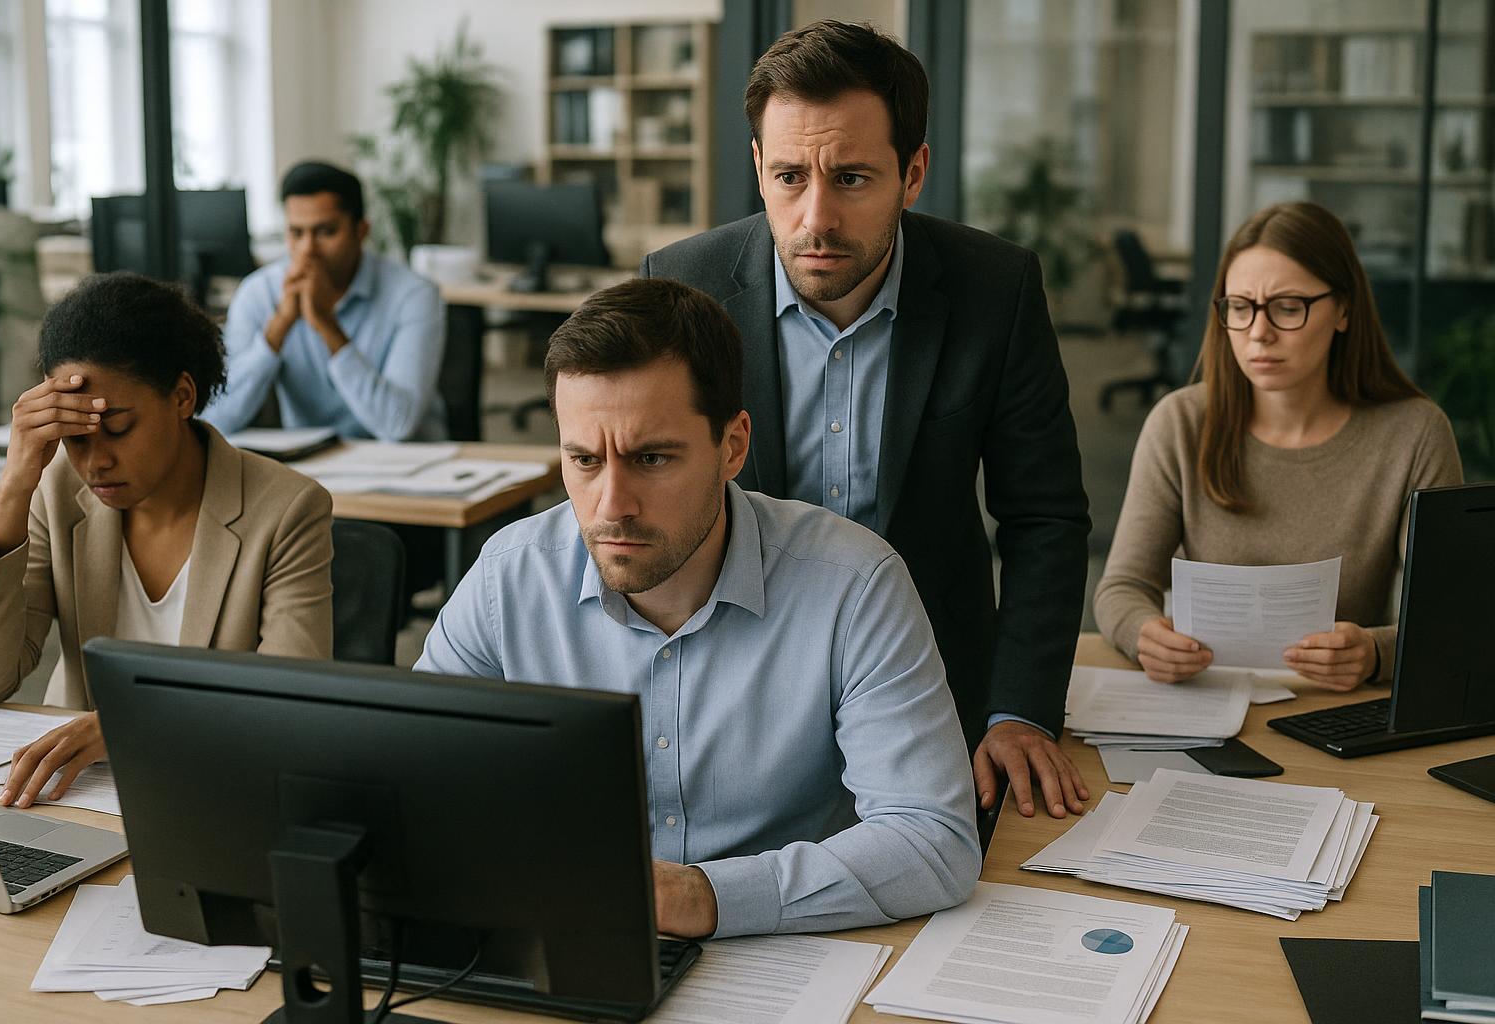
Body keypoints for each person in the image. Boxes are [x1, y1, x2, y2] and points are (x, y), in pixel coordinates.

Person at [416, 278, 981, 939]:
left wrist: (704, 897)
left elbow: (932, 840)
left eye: (650, 458)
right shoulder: (507, 579)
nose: (610, 504)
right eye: (584, 460)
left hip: (781, 957)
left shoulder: (854, 585)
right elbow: (420, 787)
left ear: (732, 448)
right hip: (568, 940)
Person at [641, 20, 1092, 822]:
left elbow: (1044, 516)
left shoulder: (996, 289)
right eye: (787, 176)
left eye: (850, 179)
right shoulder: (682, 286)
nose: (815, 217)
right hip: (734, 687)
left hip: (932, 683)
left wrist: (1019, 708)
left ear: (912, 173)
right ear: (756, 167)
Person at [0, 273, 334, 807]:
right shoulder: (55, 492)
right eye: (74, 439)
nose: (95, 462)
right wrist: (15, 485)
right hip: (77, 799)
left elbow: (292, 703)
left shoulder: (287, 509)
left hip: (218, 795)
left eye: (117, 428)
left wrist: (127, 726)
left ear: (182, 396)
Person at [1094, 201, 1463, 688]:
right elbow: (1122, 588)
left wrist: (1376, 654)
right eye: (1241, 308)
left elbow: (1452, 620)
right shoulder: (1181, 422)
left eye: (1288, 307)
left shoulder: (1414, 434)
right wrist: (1144, 635)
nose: (1259, 333)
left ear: (1344, 310)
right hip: (1208, 702)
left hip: (1338, 712)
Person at [203, 160, 447, 442]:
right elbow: (216, 420)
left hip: (412, 468)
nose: (308, 250)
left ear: (361, 231)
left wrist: (325, 324)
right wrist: (277, 329)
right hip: (313, 470)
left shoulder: (414, 295)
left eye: (325, 232)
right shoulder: (259, 293)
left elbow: (397, 426)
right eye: (296, 233)